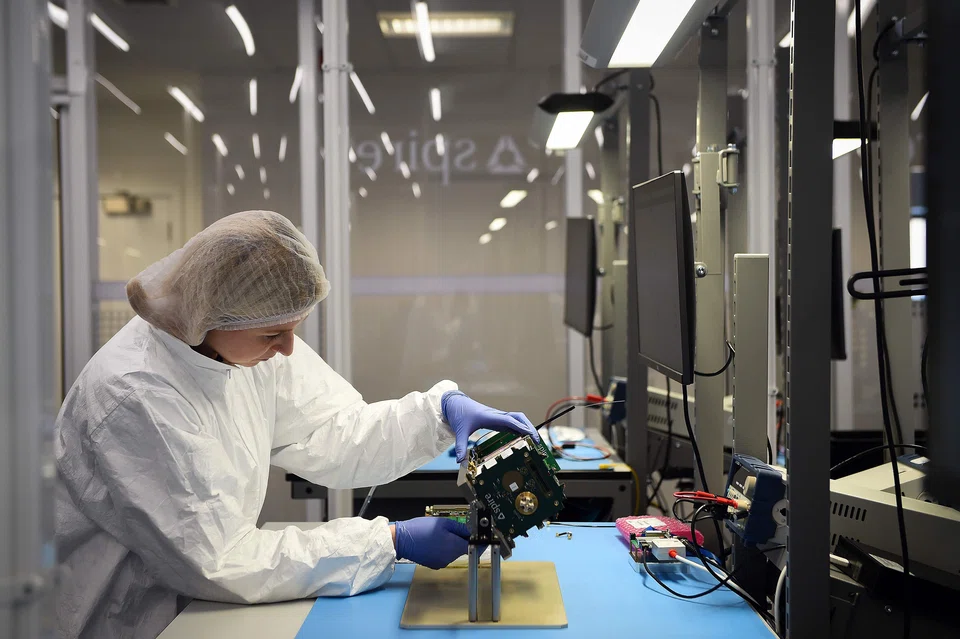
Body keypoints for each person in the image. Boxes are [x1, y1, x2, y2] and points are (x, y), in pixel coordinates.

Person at [56, 210, 539, 639]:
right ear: (211, 315)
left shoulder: (242, 343)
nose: (288, 348)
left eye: (293, 328)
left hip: (202, 609)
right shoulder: (136, 395)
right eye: (275, 333)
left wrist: (438, 412)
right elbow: (220, 561)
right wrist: (388, 541)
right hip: (132, 617)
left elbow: (334, 432)